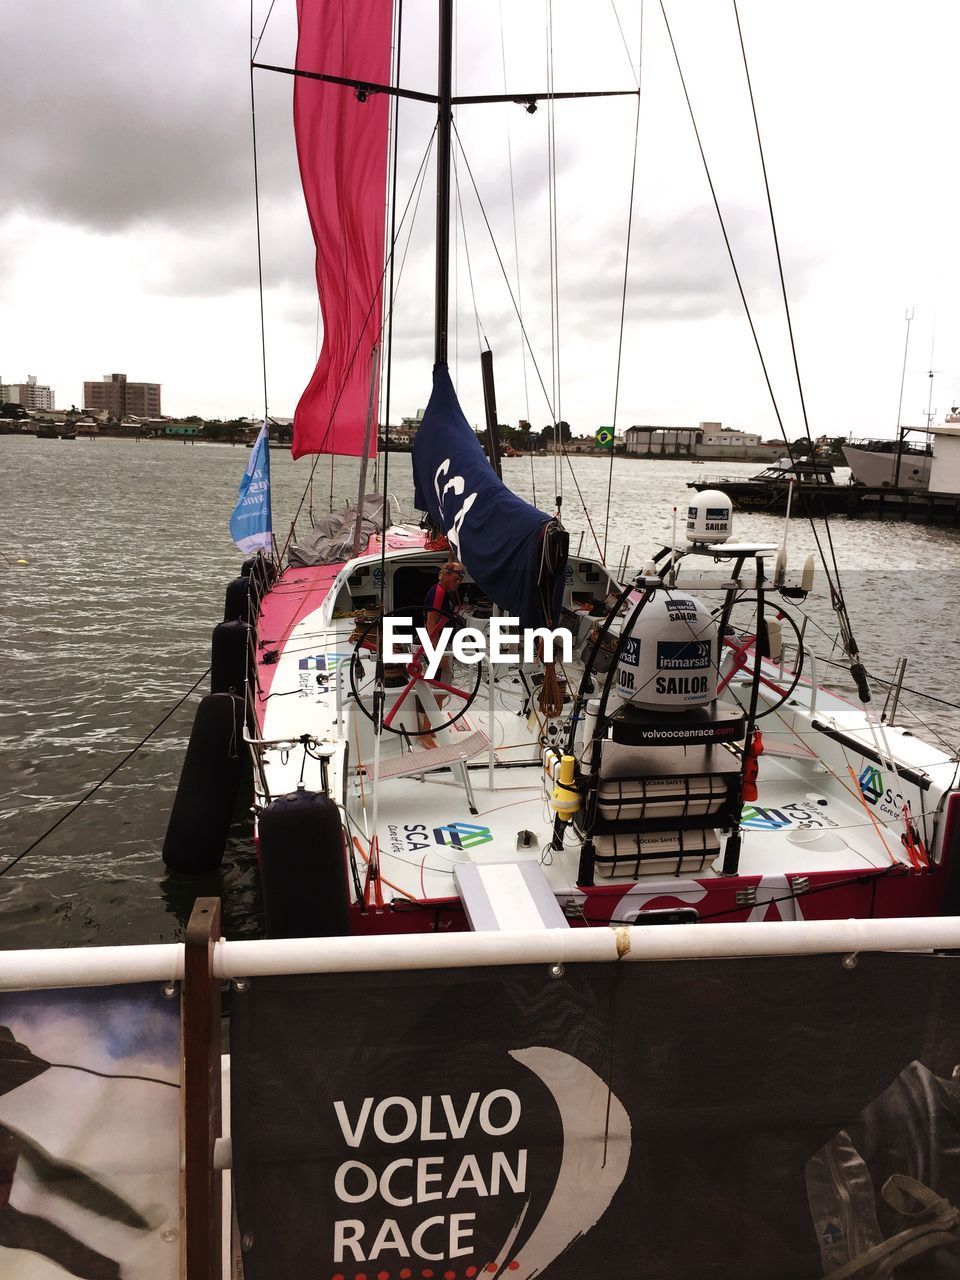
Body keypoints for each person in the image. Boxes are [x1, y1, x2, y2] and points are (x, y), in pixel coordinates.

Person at [418, 562, 465, 747]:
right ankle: (425, 733)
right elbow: (431, 623)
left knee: (441, 690)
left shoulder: (444, 592)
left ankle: (433, 727)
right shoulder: (438, 593)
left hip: (443, 644)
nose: (459, 581)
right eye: (457, 576)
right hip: (438, 646)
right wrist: (438, 653)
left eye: (461, 577)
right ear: (445, 574)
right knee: (437, 690)